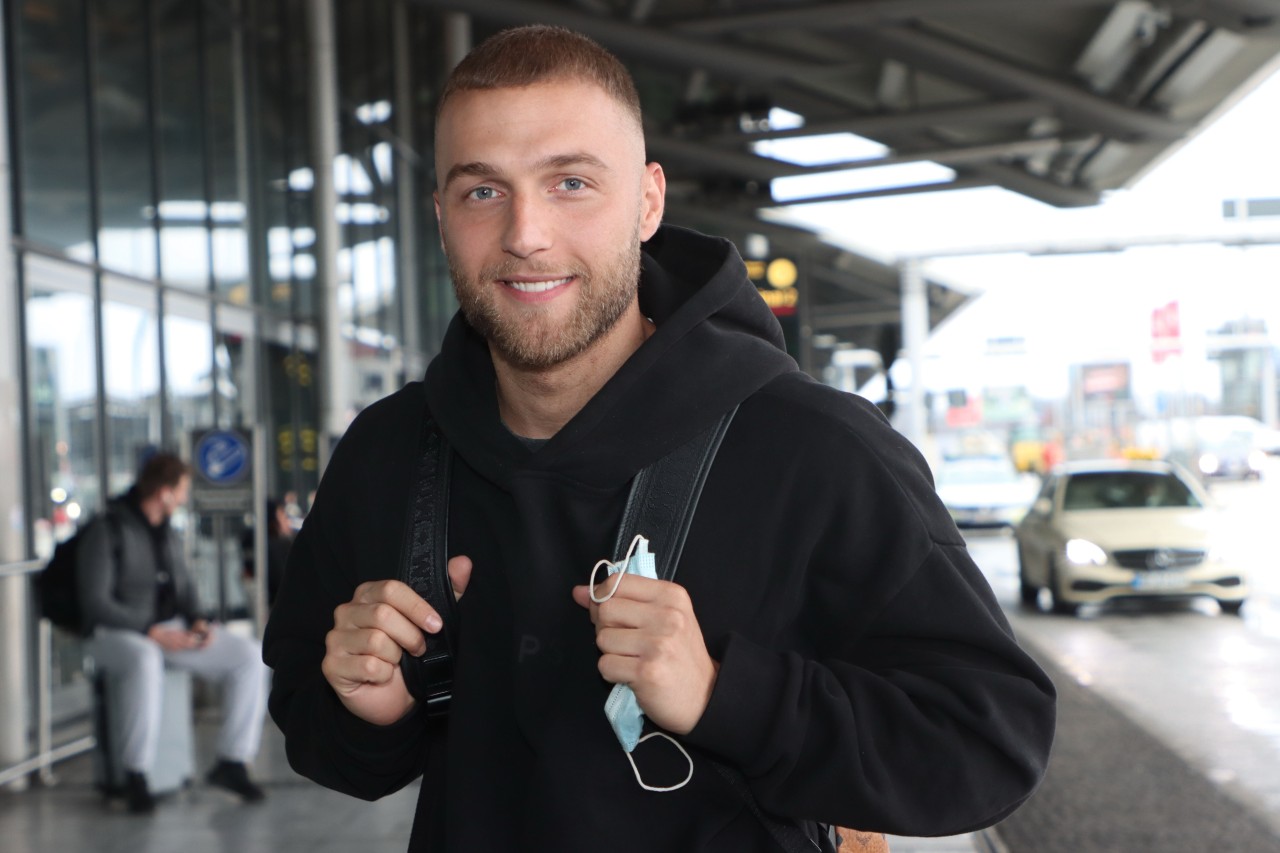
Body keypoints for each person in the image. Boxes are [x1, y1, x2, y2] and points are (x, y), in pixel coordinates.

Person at [263, 25, 1056, 852]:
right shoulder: (386, 454)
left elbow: (991, 739)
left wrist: (726, 694)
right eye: (482, 191)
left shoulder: (812, 450)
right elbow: (318, 735)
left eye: (570, 182)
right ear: (440, 215)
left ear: (648, 201)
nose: (525, 233)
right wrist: (376, 709)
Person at [79, 452, 269, 814]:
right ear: (164, 492)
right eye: (181, 490)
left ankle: (232, 761)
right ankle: (135, 774)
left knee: (249, 655)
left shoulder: (167, 532)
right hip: (115, 633)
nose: (183, 498)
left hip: (167, 631)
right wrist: (149, 630)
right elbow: (95, 603)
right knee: (145, 658)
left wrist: (198, 620)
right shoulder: (107, 529)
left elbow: (185, 590)